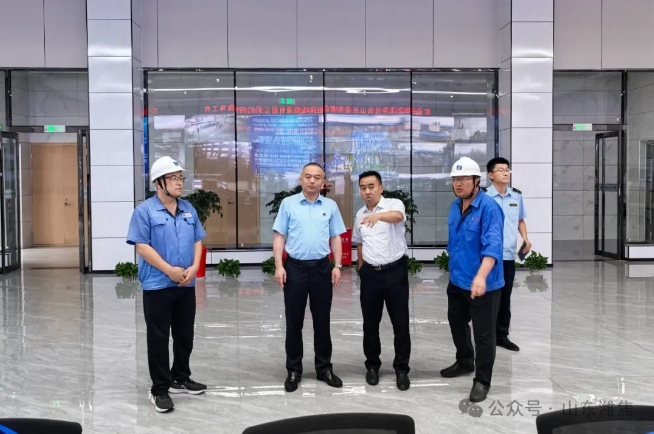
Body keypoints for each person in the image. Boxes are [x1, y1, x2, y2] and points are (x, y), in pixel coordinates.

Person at [126, 156, 207, 413]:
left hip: (185, 285)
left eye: (180, 178)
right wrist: (169, 270)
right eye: (173, 178)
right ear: (158, 182)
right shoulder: (144, 211)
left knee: (185, 335)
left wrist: (194, 267)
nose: (179, 182)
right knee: (158, 338)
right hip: (157, 286)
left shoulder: (188, 209)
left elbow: (197, 240)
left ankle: (180, 378)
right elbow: (142, 247)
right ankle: (159, 389)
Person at [272, 162, 347, 393]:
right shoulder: (288, 204)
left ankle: (324, 368)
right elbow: (279, 236)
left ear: (323, 182)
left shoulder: (331, 206)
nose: (312, 181)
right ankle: (294, 370)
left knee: (322, 320)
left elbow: (336, 237)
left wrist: (338, 265)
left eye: (317, 177)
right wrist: (279, 266)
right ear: (301, 179)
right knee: (294, 321)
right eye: (308, 176)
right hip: (295, 268)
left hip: (322, 269)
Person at [440, 157, 504, 403]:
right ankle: (465, 360)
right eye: (455, 179)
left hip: (483, 284)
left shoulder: (489, 209)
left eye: (464, 179)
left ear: (477, 181)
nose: (458, 183)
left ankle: (482, 381)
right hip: (458, 280)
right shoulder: (455, 206)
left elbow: (493, 247)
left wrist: (481, 276)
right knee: (456, 322)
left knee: (483, 334)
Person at [352, 171, 411, 391]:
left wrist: (378, 216)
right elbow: (359, 242)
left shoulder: (394, 204)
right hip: (370, 275)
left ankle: (402, 369)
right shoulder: (359, 214)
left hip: (395, 272)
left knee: (400, 323)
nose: (367, 191)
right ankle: (372, 366)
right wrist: (361, 268)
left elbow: (398, 217)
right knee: (370, 324)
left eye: (371, 186)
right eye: (363, 188)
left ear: (381, 188)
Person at [484, 157, 530, 352]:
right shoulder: (484, 197)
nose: (505, 173)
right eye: (501, 170)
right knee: (488, 297)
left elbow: (520, 220)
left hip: (508, 256)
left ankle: (501, 335)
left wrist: (525, 239)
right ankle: (486, 335)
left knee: (505, 297)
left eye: (507, 170)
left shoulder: (516, 196)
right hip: (488, 256)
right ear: (490, 175)